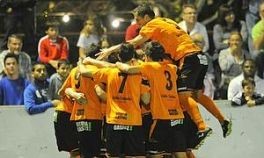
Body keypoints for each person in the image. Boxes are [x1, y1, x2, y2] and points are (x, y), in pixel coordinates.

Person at [96, 4, 232, 139]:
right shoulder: (166, 21)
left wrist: (110, 50)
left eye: (138, 19)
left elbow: (132, 42)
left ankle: (202, 127)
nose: (136, 23)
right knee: (196, 95)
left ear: (147, 17)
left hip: (188, 57)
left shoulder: (151, 24)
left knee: (183, 94)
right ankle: (222, 120)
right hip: (200, 56)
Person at [116, 41, 186, 157]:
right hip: (177, 117)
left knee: (156, 153)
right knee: (179, 152)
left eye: (144, 56)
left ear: (148, 56)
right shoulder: (173, 68)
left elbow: (127, 69)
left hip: (161, 117)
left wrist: (117, 63)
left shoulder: (149, 67)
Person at [81, 43, 150, 157]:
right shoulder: (139, 74)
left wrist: (81, 62)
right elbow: (146, 100)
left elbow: (84, 72)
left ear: (119, 57)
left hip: (114, 121)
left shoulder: (109, 72)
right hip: (133, 121)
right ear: (132, 56)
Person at [218, 31, 251, 99]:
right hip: (227, 83)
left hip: (242, 82)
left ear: (241, 42)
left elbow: (249, 71)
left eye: (237, 40)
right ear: (229, 42)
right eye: (232, 40)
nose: (235, 43)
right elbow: (224, 68)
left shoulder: (246, 54)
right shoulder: (223, 53)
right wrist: (233, 54)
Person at [252, 1, 264, 79]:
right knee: (256, 54)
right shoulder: (257, 28)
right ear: (260, 14)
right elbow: (257, 46)